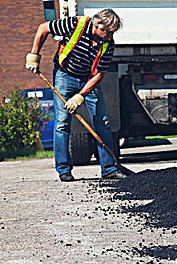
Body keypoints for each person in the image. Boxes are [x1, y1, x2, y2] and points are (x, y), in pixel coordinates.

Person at [26, 9, 127, 181]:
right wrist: (34, 55)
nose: (108, 35)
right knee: (62, 124)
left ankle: (109, 169)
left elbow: (99, 74)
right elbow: (43, 28)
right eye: (106, 31)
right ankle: (63, 170)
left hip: (88, 79)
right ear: (97, 24)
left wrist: (81, 95)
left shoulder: (108, 43)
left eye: (112, 32)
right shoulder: (75, 24)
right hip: (64, 76)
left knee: (102, 122)